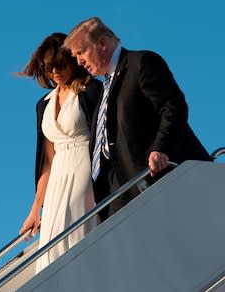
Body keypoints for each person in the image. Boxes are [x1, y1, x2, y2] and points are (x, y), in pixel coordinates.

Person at [62, 17, 211, 222]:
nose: (78, 61)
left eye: (81, 52)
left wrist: (161, 148)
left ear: (102, 43)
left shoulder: (140, 63)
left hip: (156, 182)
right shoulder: (104, 88)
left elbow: (173, 107)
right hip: (118, 193)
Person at [17, 33, 102, 274]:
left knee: (76, 234)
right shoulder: (43, 103)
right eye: (48, 67)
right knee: (53, 241)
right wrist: (35, 209)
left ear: (72, 60)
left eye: (60, 65)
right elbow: (47, 160)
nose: (54, 71)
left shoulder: (91, 89)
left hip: (84, 168)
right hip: (57, 178)